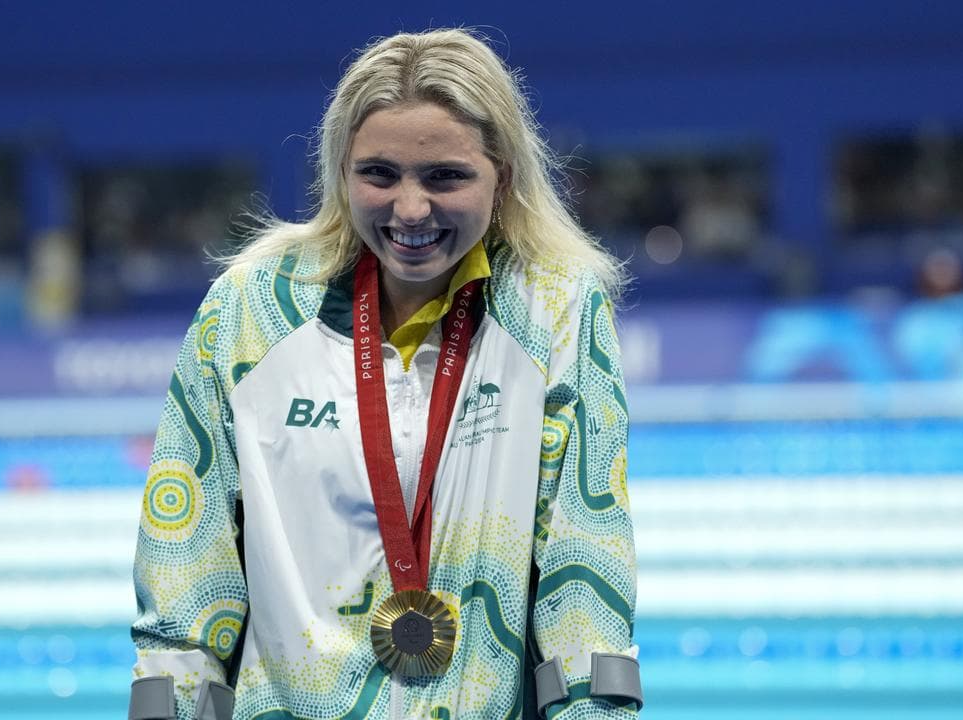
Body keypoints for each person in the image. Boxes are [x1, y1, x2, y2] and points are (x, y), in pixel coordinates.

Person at [130, 29, 640, 720]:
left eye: (445, 177)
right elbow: (186, 567)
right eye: (379, 174)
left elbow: (585, 567)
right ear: (341, 173)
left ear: (503, 177)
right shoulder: (249, 313)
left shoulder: (554, 311)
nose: (410, 209)